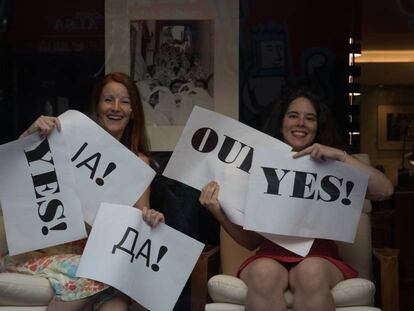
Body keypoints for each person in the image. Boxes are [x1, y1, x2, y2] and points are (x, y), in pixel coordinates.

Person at [199, 85, 394, 311]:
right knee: (264, 273)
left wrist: (340, 156)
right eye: (293, 116)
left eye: (309, 118)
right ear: (282, 124)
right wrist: (217, 211)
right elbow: (251, 241)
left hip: (320, 257)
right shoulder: (260, 167)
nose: (301, 123)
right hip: (269, 256)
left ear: (317, 127)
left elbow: (385, 190)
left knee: (310, 271)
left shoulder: (332, 166)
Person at [5, 72, 165, 311]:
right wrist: (30, 134)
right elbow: (18, 177)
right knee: (100, 274)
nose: (116, 107)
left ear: (133, 112)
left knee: (116, 303)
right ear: (97, 107)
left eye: (125, 101)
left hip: (96, 255)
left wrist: (152, 218)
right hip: (48, 248)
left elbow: (139, 219)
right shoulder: (67, 136)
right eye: (108, 99)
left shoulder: (139, 164)